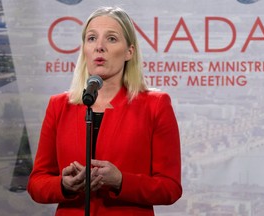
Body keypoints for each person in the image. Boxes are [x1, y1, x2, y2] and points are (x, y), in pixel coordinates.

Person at [27, 6, 182, 216]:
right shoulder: (58, 106)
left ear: (129, 51)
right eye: (91, 38)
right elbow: (36, 183)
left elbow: (170, 188)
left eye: (111, 39)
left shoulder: (156, 105)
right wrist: (64, 185)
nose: (99, 47)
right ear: (84, 49)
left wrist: (121, 181)